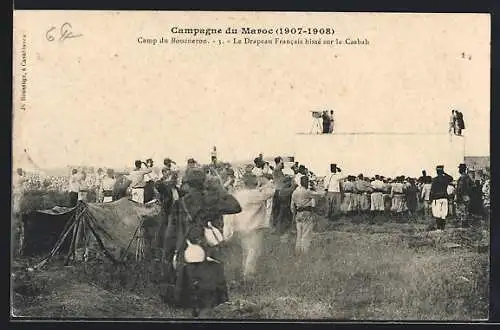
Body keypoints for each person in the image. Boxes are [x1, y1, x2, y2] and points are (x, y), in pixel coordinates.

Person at [163, 167, 242, 317]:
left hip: (186, 253)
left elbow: (170, 234)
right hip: (209, 253)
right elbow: (235, 206)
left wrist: (167, 257)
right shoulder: (212, 200)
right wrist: (220, 188)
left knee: (189, 301)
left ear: (187, 184)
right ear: (204, 183)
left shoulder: (179, 204)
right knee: (208, 301)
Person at [230, 172, 276, 284]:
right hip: (253, 228)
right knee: (254, 252)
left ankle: (244, 274)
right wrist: (266, 182)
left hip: (241, 226)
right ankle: (248, 277)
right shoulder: (255, 194)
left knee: (246, 252)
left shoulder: (239, 194)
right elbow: (271, 192)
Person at [291, 175, 317, 255]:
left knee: (299, 234)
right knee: (306, 234)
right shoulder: (307, 192)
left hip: (298, 213)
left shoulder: (295, 192)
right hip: (306, 213)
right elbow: (318, 196)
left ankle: (297, 251)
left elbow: (292, 206)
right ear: (306, 183)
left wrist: (294, 214)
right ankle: (305, 253)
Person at [430, 165, 453, 230]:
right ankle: (442, 227)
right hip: (444, 197)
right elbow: (451, 178)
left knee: (437, 213)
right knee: (443, 214)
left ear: (437, 171)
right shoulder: (445, 179)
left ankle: (439, 227)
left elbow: (432, 190)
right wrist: (444, 173)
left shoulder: (434, 179)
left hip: (437, 198)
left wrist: (430, 199)